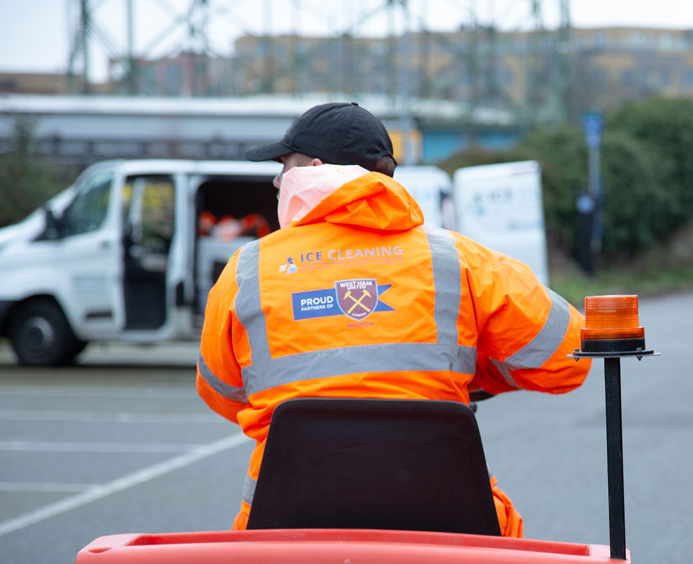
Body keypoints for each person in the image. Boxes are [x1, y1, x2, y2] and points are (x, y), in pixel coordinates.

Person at [196, 102, 591, 536]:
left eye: (283, 166)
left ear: (313, 167)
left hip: (285, 525)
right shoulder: (457, 260)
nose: (275, 181)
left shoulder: (247, 270)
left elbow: (224, 392)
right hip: (450, 522)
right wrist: (465, 369)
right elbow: (568, 359)